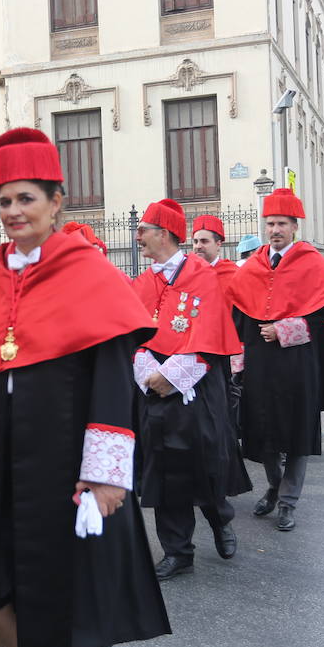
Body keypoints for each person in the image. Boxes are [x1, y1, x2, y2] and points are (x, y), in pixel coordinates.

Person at [0, 128, 169, 647]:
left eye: (25, 199)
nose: (14, 212)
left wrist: (104, 473)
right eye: (4, 201)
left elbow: (108, 382)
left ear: (56, 202)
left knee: (65, 597)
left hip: (64, 468)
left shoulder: (89, 273)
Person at [132, 200, 250, 579]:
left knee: (202, 467)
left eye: (144, 230)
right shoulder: (144, 281)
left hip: (195, 391)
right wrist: (148, 371)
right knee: (165, 471)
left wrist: (174, 375)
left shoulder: (200, 274)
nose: (138, 237)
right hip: (154, 392)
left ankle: (220, 520)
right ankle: (177, 551)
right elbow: (133, 333)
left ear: (163, 234)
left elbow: (210, 336)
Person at [222, 188, 324, 532]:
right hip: (261, 364)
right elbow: (239, 316)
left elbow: (323, 317)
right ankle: (275, 486)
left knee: (296, 433)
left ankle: (289, 501)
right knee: (261, 430)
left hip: (298, 363)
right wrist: (239, 361)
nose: (274, 230)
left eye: (281, 223)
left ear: (294, 227)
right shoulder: (254, 265)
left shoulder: (311, 261)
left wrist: (286, 329)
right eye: (270, 223)